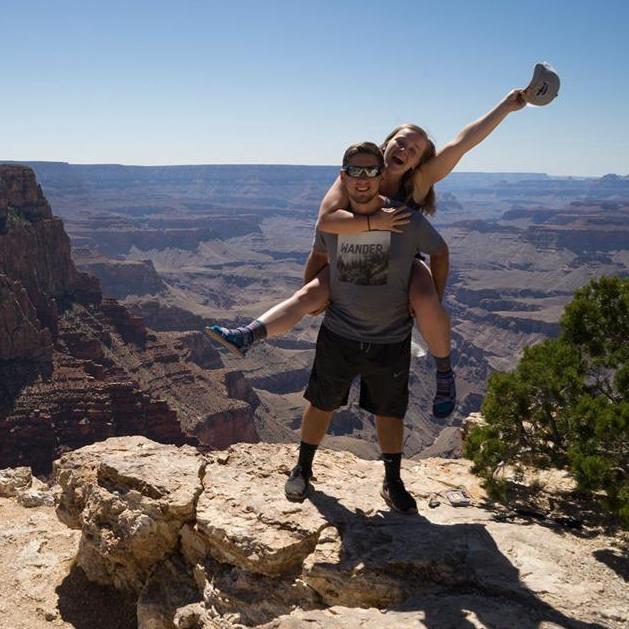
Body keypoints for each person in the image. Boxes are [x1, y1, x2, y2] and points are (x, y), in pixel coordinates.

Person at [206, 88, 528, 419]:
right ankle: (247, 335)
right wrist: (377, 222)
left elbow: (462, 142)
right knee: (307, 296)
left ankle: (444, 373)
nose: (405, 150)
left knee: (427, 299)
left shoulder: (417, 183)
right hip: (358, 256)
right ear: (386, 144)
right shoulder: (355, 175)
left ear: (418, 162)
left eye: (414, 150)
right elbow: (326, 221)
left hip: (404, 260)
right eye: (401, 142)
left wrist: (507, 105)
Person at [284, 141, 448, 513]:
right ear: (344, 176)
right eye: (355, 172)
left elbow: (439, 250)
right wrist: (310, 295)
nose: (362, 179)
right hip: (340, 329)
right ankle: (302, 468)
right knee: (321, 402)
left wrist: (430, 300)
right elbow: (319, 255)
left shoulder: (405, 218)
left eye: (370, 171)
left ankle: (392, 482)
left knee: (390, 411)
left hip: (390, 335)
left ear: (380, 176)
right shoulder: (336, 219)